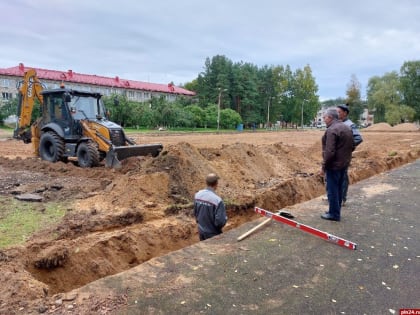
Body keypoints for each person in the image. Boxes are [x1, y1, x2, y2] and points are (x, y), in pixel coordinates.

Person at [319, 108, 354, 221]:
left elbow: (329, 151)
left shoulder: (332, 130)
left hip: (334, 166)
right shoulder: (347, 127)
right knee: (339, 188)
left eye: (324, 117)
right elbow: (352, 146)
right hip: (344, 163)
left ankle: (334, 214)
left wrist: (324, 166)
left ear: (330, 117)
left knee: (332, 190)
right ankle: (335, 210)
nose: (324, 120)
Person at [337, 104, 363, 205]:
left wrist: (346, 147)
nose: (337, 113)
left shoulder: (350, 125)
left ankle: (342, 198)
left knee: (343, 176)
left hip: (344, 155)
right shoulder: (337, 123)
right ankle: (335, 196)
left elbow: (358, 138)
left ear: (345, 113)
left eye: (339, 112)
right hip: (336, 155)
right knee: (335, 176)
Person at [194, 173, 227, 240]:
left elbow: (195, 212)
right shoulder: (217, 200)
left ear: (206, 183)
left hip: (201, 231)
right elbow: (220, 222)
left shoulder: (197, 195)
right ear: (216, 183)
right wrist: (225, 218)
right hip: (213, 233)